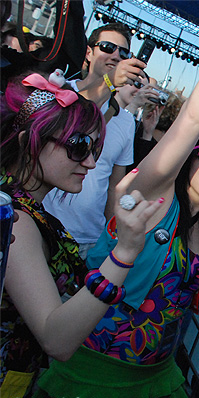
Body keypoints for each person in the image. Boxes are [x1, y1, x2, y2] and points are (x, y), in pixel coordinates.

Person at [32, 0, 199, 398]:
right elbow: (194, 119)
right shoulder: (154, 198)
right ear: (188, 160)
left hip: (155, 377)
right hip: (97, 372)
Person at [0, 71, 161, 398]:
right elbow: (55, 339)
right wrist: (124, 254)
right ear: (32, 141)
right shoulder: (15, 221)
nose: (90, 162)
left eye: (95, 150)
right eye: (79, 147)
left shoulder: (22, 209)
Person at [43, 22, 147, 258]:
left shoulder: (125, 121)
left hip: (86, 239)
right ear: (89, 53)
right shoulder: (58, 91)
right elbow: (73, 120)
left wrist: (108, 239)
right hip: (40, 219)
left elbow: (114, 186)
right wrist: (108, 82)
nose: (115, 55)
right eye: (107, 47)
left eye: (123, 53)